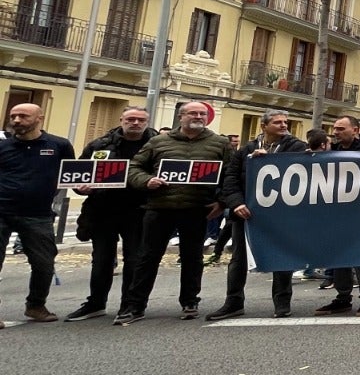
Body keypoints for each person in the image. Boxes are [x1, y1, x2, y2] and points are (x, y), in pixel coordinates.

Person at [119, 101, 233, 325]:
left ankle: (190, 302)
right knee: (147, 259)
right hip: (159, 209)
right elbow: (134, 168)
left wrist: (221, 201)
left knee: (193, 259)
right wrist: (147, 180)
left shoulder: (220, 143)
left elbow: (231, 174)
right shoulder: (158, 141)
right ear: (181, 117)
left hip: (197, 209)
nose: (198, 117)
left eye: (202, 114)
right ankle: (135, 306)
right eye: (193, 113)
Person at [205, 110, 307, 320]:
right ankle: (233, 302)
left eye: (285, 122)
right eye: (278, 122)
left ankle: (282, 303)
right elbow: (230, 179)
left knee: (282, 259)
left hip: (281, 215)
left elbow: (302, 170)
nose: (283, 125)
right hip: (247, 215)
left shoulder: (295, 146)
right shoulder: (246, 150)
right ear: (264, 126)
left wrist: (269, 160)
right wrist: (236, 204)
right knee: (238, 260)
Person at [65, 105, 154, 323]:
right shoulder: (99, 145)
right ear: (122, 120)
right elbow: (80, 173)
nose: (135, 123)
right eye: (131, 119)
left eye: (140, 120)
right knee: (101, 260)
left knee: (135, 260)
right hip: (102, 209)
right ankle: (95, 303)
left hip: (139, 212)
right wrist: (80, 187)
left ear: (147, 122)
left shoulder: (157, 146)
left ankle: (130, 305)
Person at [0, 102, 77, 324]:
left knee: (44, 262)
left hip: (38, 214)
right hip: (2, 211)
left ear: (39, 118)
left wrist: (83, 186)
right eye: (13, 116)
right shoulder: (2, 146)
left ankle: (36, 306)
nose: (16, 120)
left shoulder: (59, 145)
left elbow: (72, 173)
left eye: (23, 116)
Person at [316, 116, 360, 316]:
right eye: (334, 128)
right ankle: (343, 297)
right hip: (338, 212)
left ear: (356, 130)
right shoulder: (332, 151)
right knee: (339, 254)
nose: (336, 132)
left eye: (341, 128)